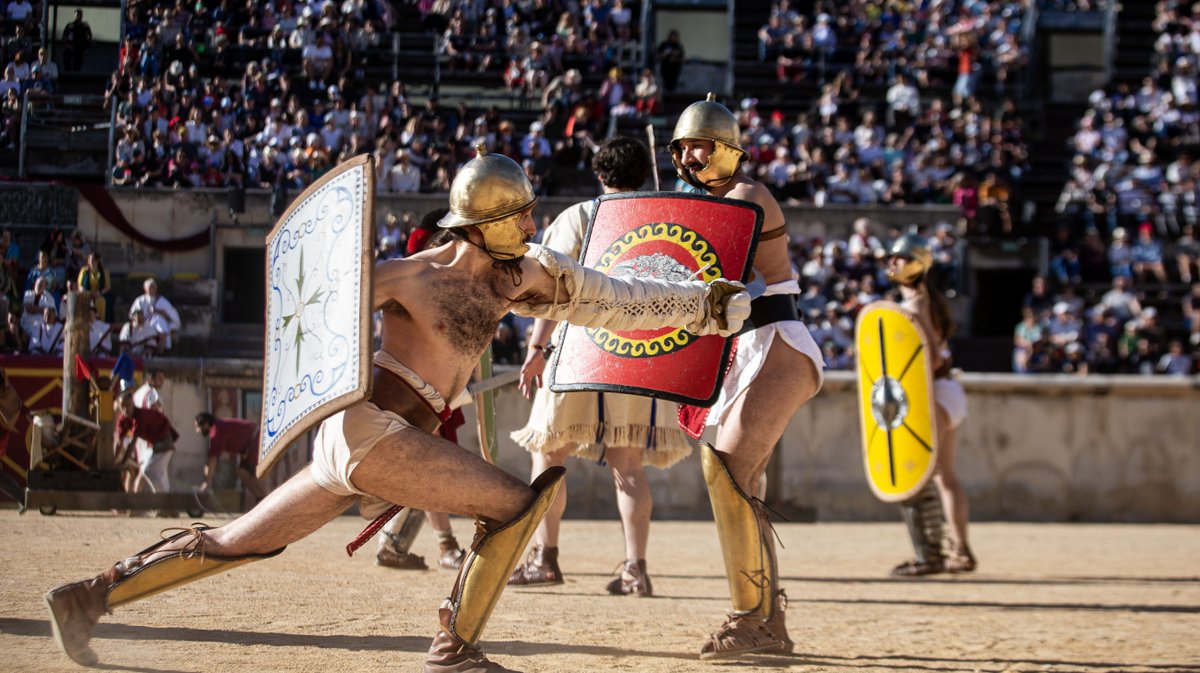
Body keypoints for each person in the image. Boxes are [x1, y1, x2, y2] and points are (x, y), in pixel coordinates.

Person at [44, 149, 751, 672]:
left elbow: (612, 298)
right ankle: (455, 646)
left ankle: (90, 597)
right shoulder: (407, 277)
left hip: (366, 444)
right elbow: (308, 306)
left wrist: (703, 306)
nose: (534, 223)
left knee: (241, 541)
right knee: (520, 500)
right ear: (484, 223)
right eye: (522, 213)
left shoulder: (521, 274)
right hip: (364, 431)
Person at [668, 94, 824, 659]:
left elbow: (722, 271)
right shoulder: (701, 200)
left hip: (775, 340)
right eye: (681, 147)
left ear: (726, 150)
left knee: (728, 473)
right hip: (742, 346)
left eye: (698, 146)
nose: (688, 157)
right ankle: (769, 623)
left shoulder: (747, 195)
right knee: (743, 489)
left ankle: (748, 618)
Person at [508, 137, 690, 596]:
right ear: (642, 176)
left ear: (599, 175)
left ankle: (545, 559)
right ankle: (636, 568)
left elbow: (550, 286)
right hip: (641, 356)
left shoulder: (579, 217)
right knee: (628, 466)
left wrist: (535, 348)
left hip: (581, 351)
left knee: (548, 455)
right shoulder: (665, 220)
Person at [884, 234, 975, 576]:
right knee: (944, 475)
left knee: (924, 474)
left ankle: (933, 553)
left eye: (900, 258)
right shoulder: (927, 298)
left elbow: (932, 357)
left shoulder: (917, 301)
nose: (892, 264)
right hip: (947, 390)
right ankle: (960, 550)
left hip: (932, 390)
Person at [113, 390, 178, 496]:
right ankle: (161, 507)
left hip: (164, 443)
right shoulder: (124, 420)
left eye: (128, 405)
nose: (125, 409)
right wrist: (114, 461)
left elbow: (132, 443)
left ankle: (166, 503)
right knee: (153, 473)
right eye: (122, 406)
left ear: (133, 403)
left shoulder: (140, 417)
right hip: (154, 445)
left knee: (149, 471)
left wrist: (123, 462)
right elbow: (120, 442)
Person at [193, 412, 267, 503]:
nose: (197, 430)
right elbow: (211, 460)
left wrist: (207, 483)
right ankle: (260, 497)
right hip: (250, 445)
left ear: (206, 424)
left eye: (198, 427)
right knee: (242, 472)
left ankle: (268, 500)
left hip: (255, 440)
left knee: (254, 474)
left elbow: (212, 460)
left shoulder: (216, 431)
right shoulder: (218, 427)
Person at [0, 366, 29, 512]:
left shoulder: (8, 392)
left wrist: (28, 415)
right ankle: (22, 497)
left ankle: (22, 497)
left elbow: (19, 405)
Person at [128, 278, 182, 350]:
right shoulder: (139, 301)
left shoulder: (162, 301)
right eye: (150, 288)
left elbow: (174, 319)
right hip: (143, 324)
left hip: (159, 326)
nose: (152, 290)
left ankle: (161, 347)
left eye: (153, 287)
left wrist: (158, 311)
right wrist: (139, 317)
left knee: (158, 319)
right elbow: (132, 315)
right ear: (145, 289)